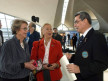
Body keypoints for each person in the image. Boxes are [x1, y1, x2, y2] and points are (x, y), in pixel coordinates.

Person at [66, 11, 108, 81]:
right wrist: (72, 57)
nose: (74, 25)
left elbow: (102, 64)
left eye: (76, 22)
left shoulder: (97, 37)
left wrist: (80, 69)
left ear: (85, 21)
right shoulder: (81, 38)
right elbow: (85, 58)